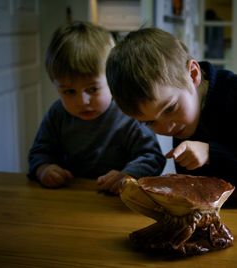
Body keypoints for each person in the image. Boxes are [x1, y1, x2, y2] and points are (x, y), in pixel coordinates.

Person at [105, 27, 237, 207]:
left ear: (193, 75)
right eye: (150, 122)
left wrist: (210, 153)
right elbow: (201, 184)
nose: (166, 127)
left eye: (169, 108)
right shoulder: (181, 118)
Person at [28, 22, 166, 194]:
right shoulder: (57, 114)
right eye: (69, 91)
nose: (82, 101)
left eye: (93, 89)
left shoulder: (128, 113)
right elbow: (39, 152)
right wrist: (44, 169)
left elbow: (153, 157)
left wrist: (128, 175)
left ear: (112, 81)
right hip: (69, 198)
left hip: (117, 202)